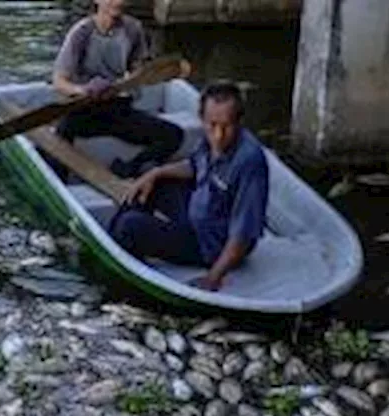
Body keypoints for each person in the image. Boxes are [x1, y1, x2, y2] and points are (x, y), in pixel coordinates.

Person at [105, 81, 268, 292]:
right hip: (196, 212)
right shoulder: (209, 139)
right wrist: (154, 174)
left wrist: (213, 277)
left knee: (129, 225)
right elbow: (194, 166)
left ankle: (129, 266)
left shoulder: (249, 161)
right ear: (203, 120)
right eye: (212, 125)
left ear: (239, 122)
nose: (218, 135)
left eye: (226, 127)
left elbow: (243, 234)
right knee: (148, 184)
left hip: (210, 245)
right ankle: (117, 245)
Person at [52, 0, 190, 177]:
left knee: (173, 135)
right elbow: (59, 81)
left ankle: (128, 169)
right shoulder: (82, 32)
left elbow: (139, 70)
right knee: (60, 138)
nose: (117, 1)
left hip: (117, 108)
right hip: (83, 110)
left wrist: (160, 71)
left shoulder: (133, 29)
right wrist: (83, 90)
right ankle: (60, 184)